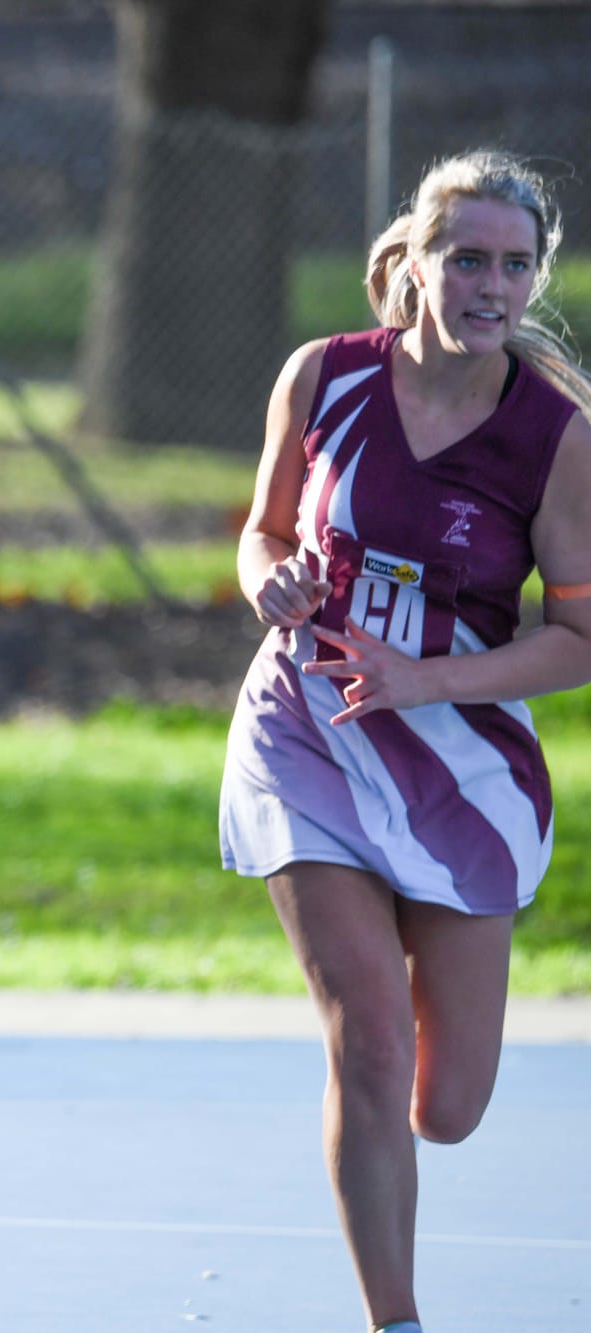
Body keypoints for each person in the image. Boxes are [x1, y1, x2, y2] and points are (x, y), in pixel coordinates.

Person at [220, 150, 591, 1333]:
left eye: (513, 265)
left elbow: (577, 641)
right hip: (305, 731)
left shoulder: (555, 439)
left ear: (535, 279)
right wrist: (269, 582)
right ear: (416, 264)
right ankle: (396, 1321)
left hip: (461, 768)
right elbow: (261, 530)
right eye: (467, 259)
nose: (491, 285)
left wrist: (425, 680)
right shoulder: (322, 375)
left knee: (446, 1106)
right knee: (370, 1043)